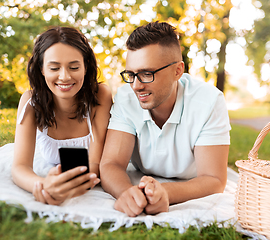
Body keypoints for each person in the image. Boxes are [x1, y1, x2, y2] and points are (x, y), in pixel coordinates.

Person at [99, 21, 231, 217]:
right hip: (143, 180)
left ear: (177, 71)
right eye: (131, 74)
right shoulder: (126, 97)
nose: (136, 86)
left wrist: (165, 192)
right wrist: (127, 193)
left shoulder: (209, 101)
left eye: (146, 73)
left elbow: (214, 179)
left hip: (190, 180)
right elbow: (111, 164)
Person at [12, 26, 112, 205]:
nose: (64, 76)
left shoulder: (101, 96)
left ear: (86, 67)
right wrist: (45, 186)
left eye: (74, 67)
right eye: (54, 68)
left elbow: (94, 164)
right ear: (42, 69)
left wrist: (65, 186)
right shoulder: (30, 102)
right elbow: (20, 167)